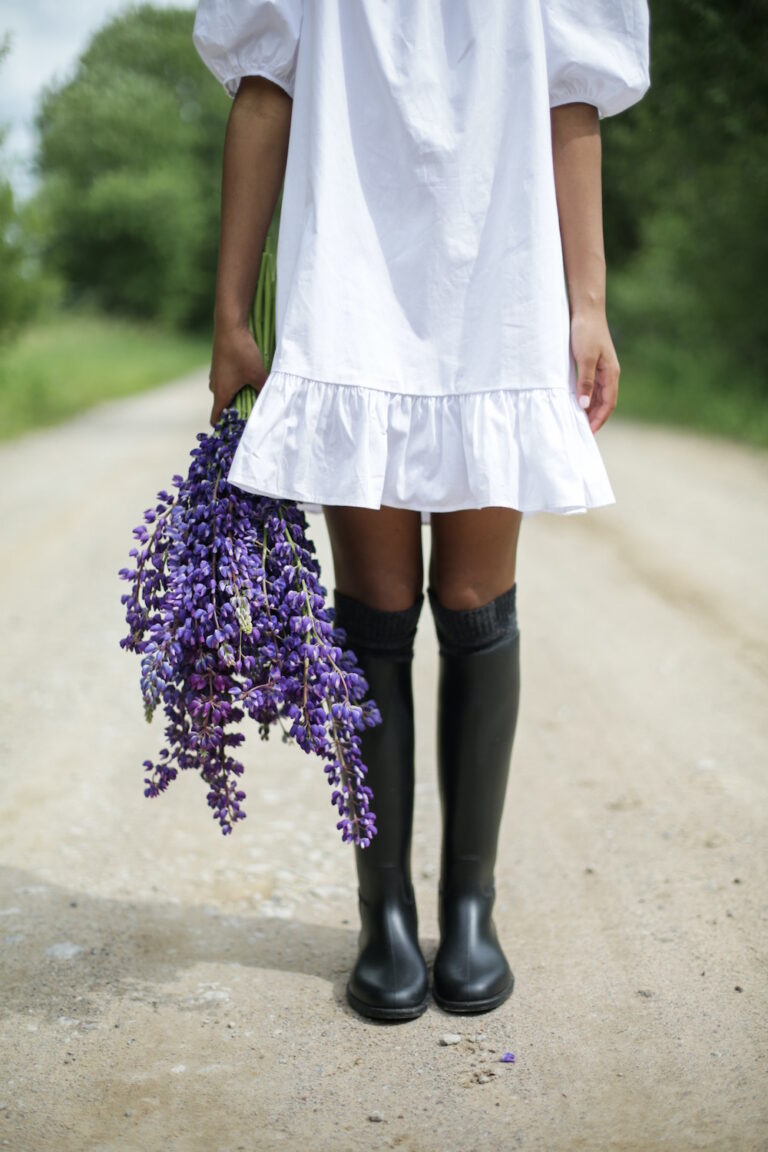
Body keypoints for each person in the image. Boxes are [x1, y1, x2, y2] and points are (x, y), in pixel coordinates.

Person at [192, 0, 651, 1022]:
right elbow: (267, 91)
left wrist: (587, 306)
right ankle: (385, 910)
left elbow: (569, 96)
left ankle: (470, 906)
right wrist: (229, 315)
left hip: (503, 283)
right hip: (349, 284)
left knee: (479, 596)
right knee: (378, 600)